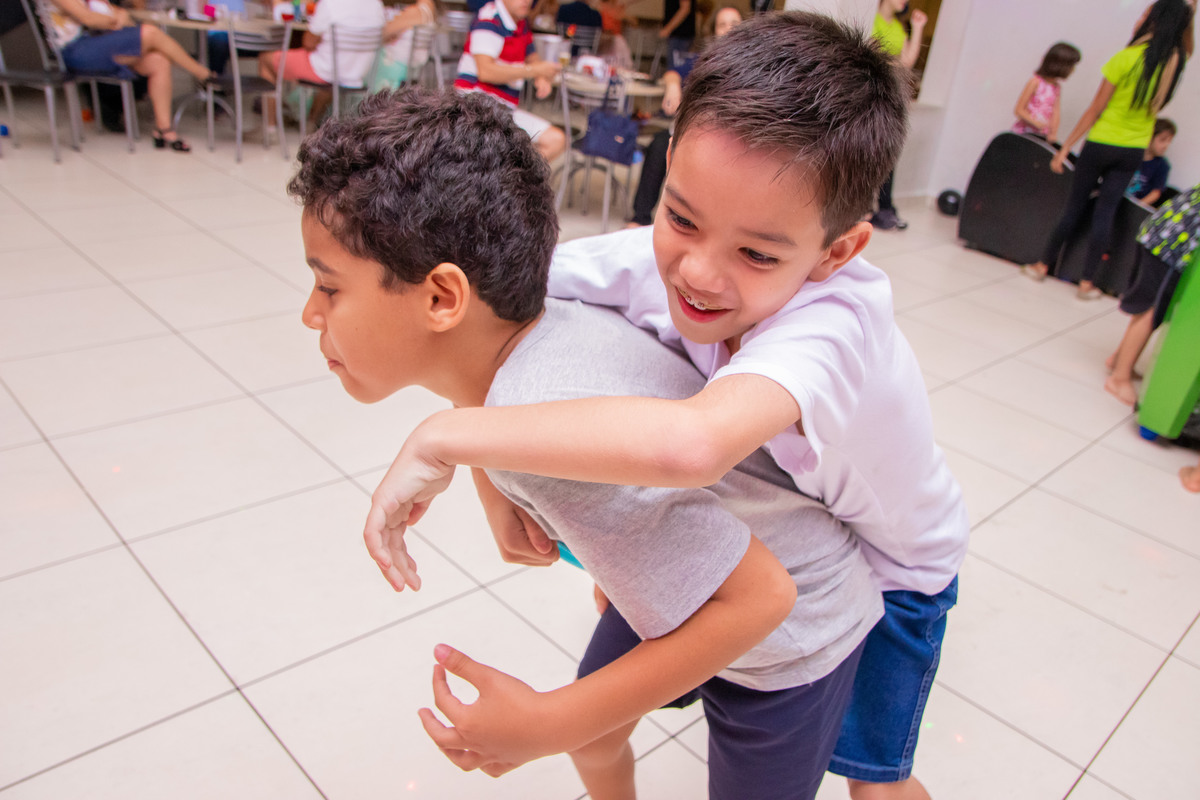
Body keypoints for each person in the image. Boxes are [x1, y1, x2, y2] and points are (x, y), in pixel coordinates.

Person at [367, 13, 967, 800]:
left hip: (893, 574)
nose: (700, 274)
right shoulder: (664, 255)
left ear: (836, 252)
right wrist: (489, 475)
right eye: (680, 216)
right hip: (770, 528)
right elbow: (495, 312)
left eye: (757, 253)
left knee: (874, 783)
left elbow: (695, 445)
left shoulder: (838, 321)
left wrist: (448, 437)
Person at [292, 88, 883, 800]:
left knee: (594, 726)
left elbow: (761, 599)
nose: (309, 313)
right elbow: (491, 389)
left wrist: (545, 725)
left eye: (328, 287)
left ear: (444, 298)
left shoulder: (541, 436)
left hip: (793, 636)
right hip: (709, 570)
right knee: (599, 730)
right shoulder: (546, 315)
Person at [1022, 0, 1194, 299]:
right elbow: (1188, 40)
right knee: (1105, 214)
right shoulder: (1175, 63)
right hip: (1132, 151)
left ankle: (1041, 266)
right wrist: (1190, 10)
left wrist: (1065, 149)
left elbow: (1095, 110)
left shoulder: (1126, 58)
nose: (1140, 18)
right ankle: (1087, 284)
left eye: (1145, 14)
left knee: (1074, 207)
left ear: (1154, 20)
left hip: (1101, 143)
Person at [34, 0, 217, 151]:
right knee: (151, 33)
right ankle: (204, 75)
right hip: (74, 51)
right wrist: (114, 19)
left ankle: (164, 130)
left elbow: (120, 14)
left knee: (158, 61)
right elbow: (88, 18)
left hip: (95, 42)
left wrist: (112, 18)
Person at [626, 5, 741, 227]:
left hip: (729, 139)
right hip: (695, 133)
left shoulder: (752, 68)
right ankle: (639, 219)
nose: (728, 29)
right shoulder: (705, 60)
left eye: (734, 24)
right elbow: (672, 72)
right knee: (659, 144)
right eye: (723, 24)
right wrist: (672, 86)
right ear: (714, 32)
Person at [1105, 181, 1200, 406]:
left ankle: (1118, 359)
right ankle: (1119, 378)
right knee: (1151, 311)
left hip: (1162, 233)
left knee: (1150, 308)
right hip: (1172, 246)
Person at [454, 0, 566, 162]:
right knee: (549, 141)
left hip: (502, 110)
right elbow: (486, 71)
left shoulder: (520, 21)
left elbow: (532, 56)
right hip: (475, 108)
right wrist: (535, 71)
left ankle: (512, 180)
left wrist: (541, 77)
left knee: (554, 141)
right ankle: (509, 180)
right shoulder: (490, 19)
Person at [258, 0, 386, 134]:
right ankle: (311, 121)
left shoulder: (330, 4)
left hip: (325, 70)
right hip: (356, 73)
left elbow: (308, 42)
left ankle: (269, 128)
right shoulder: (376, 5)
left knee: (266, 59)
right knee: (332, 76)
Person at [869, 0, 925, 231]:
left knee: (888, 155)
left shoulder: (898, 29)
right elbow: (873, 53)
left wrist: (918, 27)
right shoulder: (872, 19)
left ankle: (885, 209)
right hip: (870, 92)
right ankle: (861, 209)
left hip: (890, 97)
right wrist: (894, 63)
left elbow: (907, 62)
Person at [1012, 41, 1081, 142]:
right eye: (1071, 66)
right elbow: (1019, 110)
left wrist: (1053, 133)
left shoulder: (1056, 88)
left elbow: (1056, 112)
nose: (1073, 70)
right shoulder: (1035, 82)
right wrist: (1036, 123)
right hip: (1024, 134)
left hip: (1040, 136)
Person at [373, 0, 440, 90]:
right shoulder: (429, 9)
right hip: (410, 67)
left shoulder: (415, 12)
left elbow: (381, 34)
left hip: (395, 67)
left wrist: (391, 35)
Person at [1127, 117, 1176, 204]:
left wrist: (1138, 206)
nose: (1166, 145)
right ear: (1150, 137)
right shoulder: (1131, 154)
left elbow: (1156, 193)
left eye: (1169, 141)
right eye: (1162, 140)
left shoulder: (1162, 166)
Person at [658, 0, 695, 69]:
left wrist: (667, 29)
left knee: (676, 69)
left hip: (681, 35)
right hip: (677, 35)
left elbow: (685, 8)